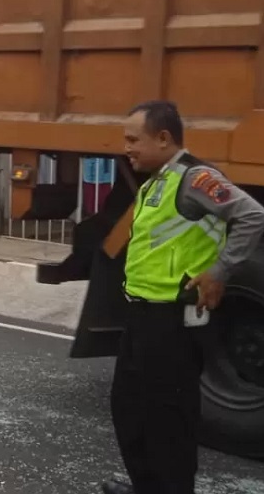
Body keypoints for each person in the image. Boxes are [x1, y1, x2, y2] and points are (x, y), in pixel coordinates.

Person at [103, 100, 264, 494]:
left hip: (173, 322)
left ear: (163, 138)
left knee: (168, 423)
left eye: (133, 139)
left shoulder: (195, 178)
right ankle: (147, 487)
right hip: (142, 317)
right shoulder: (157, 180)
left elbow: (252, 215)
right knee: (129, 410)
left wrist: (220, 271)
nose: (127, 147)